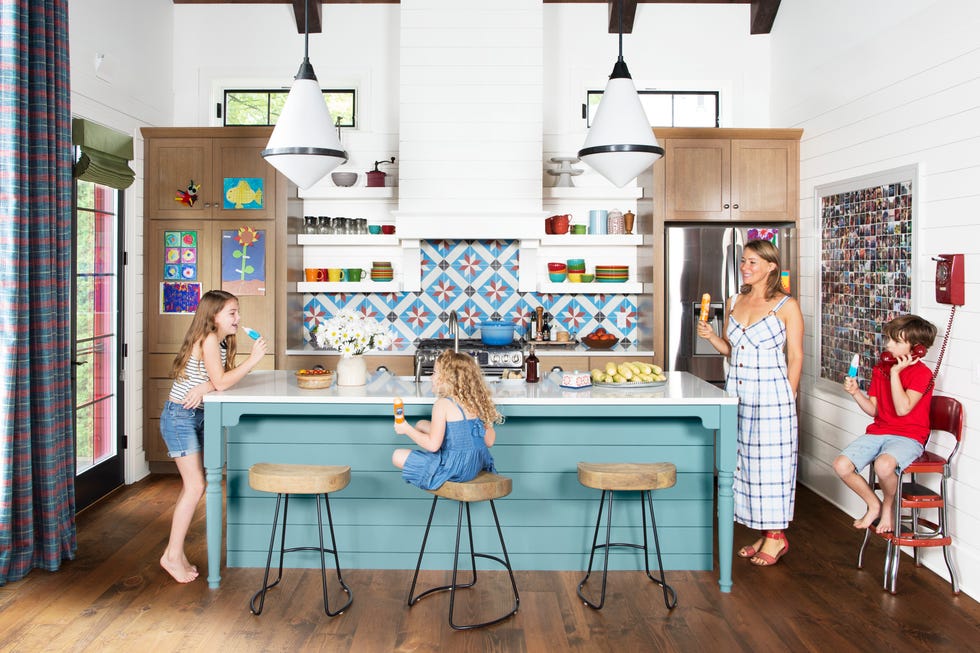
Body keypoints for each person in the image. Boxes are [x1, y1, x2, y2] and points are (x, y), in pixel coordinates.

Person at [697, 239, 804, 567]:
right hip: (738, 396)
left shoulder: (786, 306)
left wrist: (789, 397)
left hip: (773, 398)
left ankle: (776, 536)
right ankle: (765, 532)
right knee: (746, 467)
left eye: (753, 262)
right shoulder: (734, 301)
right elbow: (733, 350)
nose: (745, 267)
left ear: (771, 266)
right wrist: (712, 337)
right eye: (744, 261)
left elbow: (796, 356)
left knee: (773, 468)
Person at [159, 290, 268, 582]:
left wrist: (207, 385)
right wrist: (253, 359)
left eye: (237, 311)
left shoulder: (219, 342)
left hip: (195, 417)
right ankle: (171, 556)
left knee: (193, 486)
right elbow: (221, 381)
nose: (238, 318)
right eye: (232, 312)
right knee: (195, 487)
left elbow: (216, 381)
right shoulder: (208, 339)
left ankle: (175, 552)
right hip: (180, 418)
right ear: (214, 316)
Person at [833, 314, 937, 535]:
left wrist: (897, 374)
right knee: (841, 465)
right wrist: (856, 393)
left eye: (896, 341)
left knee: (883, 465)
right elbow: (874, 410)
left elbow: (902, 408)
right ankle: (874, 504)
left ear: (917, 349)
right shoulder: (881, 369)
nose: (888, 345)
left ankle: (888, 506)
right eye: (889, 339)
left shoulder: (922, 374)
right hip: (879, 431)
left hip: (909, 436)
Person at [392, 350, 504, 490]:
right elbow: (489, 441)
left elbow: (433, 445)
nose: (431, 377)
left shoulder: (442, 404)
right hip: (476, 465)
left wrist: (406, 428)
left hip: (455, 469)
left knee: (397, 455)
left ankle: (435, 466)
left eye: (434, 373)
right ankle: (440, 451)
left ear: (447, 378)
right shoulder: (477, 402)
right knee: (421, 424)